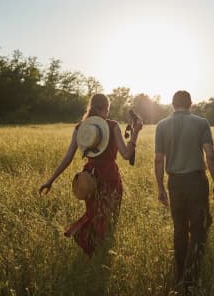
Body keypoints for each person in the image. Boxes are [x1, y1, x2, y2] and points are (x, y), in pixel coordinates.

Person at [39, 93, 143, 255]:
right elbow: (126, 154)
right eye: (107, 110)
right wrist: (136, 132)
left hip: (89, 179)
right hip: (110, 177)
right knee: (109, 218)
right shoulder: (113, 125)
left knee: (94, 214)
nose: (107, 113)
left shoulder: (81, 128)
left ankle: (92, 250)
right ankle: (99, 250)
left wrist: (50, 180)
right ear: (105, 109)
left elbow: (68, 157)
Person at [154, 90, 214, 291]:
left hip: (174, 183)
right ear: (190, 104)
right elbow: (210, 154)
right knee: (198, 230)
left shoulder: (161, 126)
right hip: (196, 182)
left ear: (173, 105)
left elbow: (159, 159)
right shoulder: (202, 123)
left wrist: (160, 187)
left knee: (180, 230)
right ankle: (190, 279)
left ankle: (180, 276)